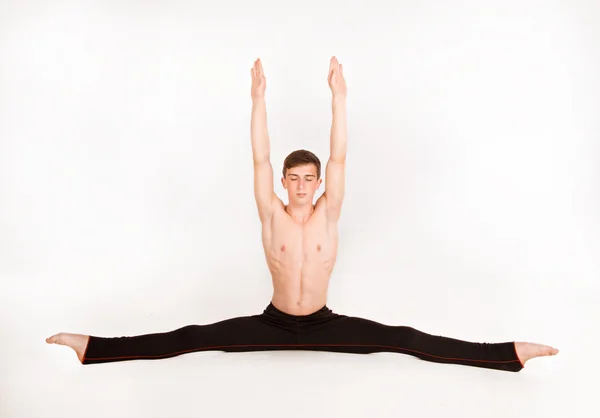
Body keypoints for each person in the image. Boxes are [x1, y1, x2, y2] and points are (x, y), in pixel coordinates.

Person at [46, 57, 558, 372]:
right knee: (193, 338)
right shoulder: (271, 214)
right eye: (293, 179)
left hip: (324, 326)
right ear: (284, 184)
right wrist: (257, 101)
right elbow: (260, 158)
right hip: (271, 325)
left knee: (405, 341)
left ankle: (508, 353)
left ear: (318, 185)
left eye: (308, 179)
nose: (299, 185)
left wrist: (339, 98)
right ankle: (92, 348)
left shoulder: (327, 214)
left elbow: (339, 156)